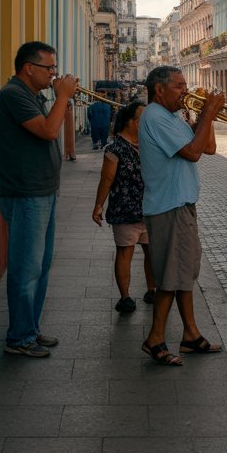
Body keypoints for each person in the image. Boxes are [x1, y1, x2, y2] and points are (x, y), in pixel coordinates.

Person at [0, 41, 78, 358]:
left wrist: (60, 100)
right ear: (29, 68)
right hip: (26, 194)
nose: (54, 73)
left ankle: (30, 329)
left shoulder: (33, 96)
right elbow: (47, 131)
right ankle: (19, 338)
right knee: (26, 269)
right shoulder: (13, 95)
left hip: (42, 191)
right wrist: (63, 96)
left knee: (39, 267)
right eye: (49, 68)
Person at [138, 66, 225, 366]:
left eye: (185, 85)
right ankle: (154, 338)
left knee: (184, 273)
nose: (185, 91)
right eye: (178, 86)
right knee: (171, 276)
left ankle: (190, 333)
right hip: (168, 206)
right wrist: (209, 114)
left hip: (182, 204)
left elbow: (208, 147)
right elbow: (191, 152)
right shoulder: (154, 116)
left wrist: (205, 117)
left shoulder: (173, 116)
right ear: (159, 89)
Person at [92, 101, 156, 313]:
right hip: (125, 211)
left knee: (152, 253)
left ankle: (152, 290)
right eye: (141, 120)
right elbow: (107, 179)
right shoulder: (115, 149)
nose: (145, 123)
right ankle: (125, 297)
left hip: (150, 209)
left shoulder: (149, 144)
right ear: (129, 122)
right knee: (125, 253)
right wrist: (98, 206)